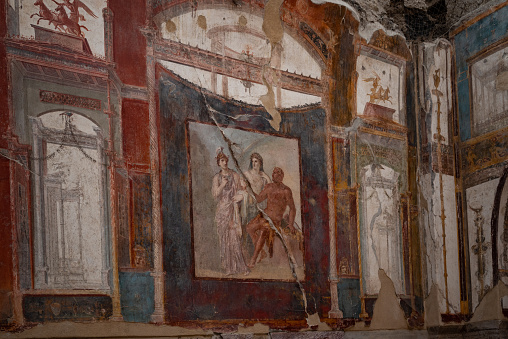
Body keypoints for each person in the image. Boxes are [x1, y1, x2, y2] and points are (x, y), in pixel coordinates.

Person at [246, 167, 296, 268]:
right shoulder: (268, 187)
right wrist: (249, 189)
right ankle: (262, 251)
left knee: (263, 230)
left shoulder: (286, 191)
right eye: (273, 173)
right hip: (264, 216)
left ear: (282, 176)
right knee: (249, 227)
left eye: (278, 173)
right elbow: (259, 199)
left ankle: (254, 258)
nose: (274, 175)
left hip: (274, 220)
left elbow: (292, 209)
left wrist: (290, 224)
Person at [211, 148, 249, 275]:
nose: (225, 162)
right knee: (224, 239)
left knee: (234, 238)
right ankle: (229, 268)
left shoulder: (235, 175)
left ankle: (241, 267)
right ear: (219, 163)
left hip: (233, 210)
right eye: (222, 161)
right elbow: (215, 194)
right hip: (222, 211)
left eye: (226, 160)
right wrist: (222, 184)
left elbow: (243, 190)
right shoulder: (217, 177)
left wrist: (241, 196)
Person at [241, 153, 271, 257]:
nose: (254, 164)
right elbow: (242, 188)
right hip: (249, 204)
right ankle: (253, 254)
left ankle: (259, 253)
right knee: (248, 228)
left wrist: (267, 177)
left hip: (259, 206)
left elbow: (270, 191)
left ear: (260, 163)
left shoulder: (263, 177)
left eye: (256, 161)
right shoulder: (247, 174)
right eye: (252, 161)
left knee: (258, 230)